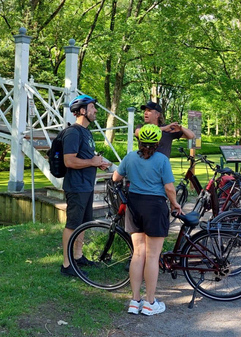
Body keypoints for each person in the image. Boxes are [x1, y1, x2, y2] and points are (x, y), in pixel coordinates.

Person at [113, 123, 182, 316]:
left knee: (138, 254)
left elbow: (116, 177)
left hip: (134, 206)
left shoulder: (129, 158)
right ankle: (150, 302)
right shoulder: (162, 160)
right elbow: (169, 188)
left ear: (139, 140)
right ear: (158, 142)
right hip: (155, 207)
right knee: (152, 256)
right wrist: (175, 203)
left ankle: (135, 301)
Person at [60, 94, 112, 277]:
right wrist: (92, 162)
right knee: (72, 224)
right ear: (82, 111)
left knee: (82, 224)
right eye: (92, 107)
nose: (95, 110)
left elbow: (87, 158)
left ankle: (78, 256)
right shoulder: (73, 132)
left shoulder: (86, 133)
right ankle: (67, 265)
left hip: (86, 186)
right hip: (76, 187)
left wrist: (98, 162)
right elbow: (69, 161)